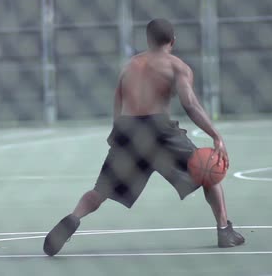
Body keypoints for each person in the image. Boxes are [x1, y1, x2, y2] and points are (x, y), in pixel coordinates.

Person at [43, 18, 245, 256]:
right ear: (173, 41)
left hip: (129, 130)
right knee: (209, 168)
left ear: (148, 40)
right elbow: (190, 104)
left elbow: (118, 100)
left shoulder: (130, 66)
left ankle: (73, 218)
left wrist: (116, 132)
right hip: (160, 130)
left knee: (100, 190)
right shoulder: (177, 66)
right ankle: (224, 230)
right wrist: (216, 136)